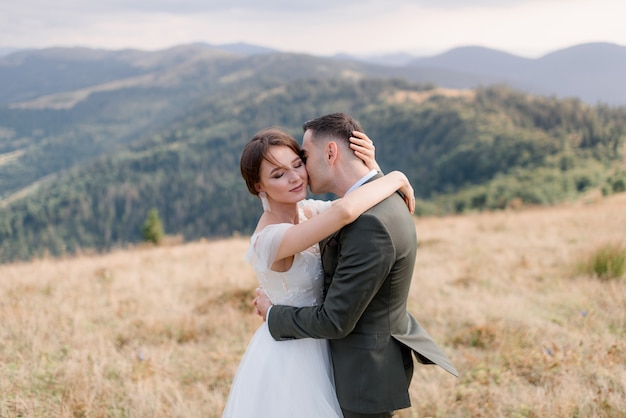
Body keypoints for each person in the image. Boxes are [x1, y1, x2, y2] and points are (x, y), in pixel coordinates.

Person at [255, 113, 458, 418]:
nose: (300, 174)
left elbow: (335, 320)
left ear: (331, 153)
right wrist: (388, 175)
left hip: (358, 371)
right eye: (279, 173)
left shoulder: (366, 221)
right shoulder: (367, 204)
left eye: (302, 160)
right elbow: (344, 211)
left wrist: (273, 315)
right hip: (314, 359)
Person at [222, 126, 416, 417]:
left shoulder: (308, 211)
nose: (295, 177)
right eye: (278, 175)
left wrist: (371, 167)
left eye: (297, 164)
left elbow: (363, 201)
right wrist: (396, 177)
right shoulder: (270, 239)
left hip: (328, 340)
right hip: (295, 353)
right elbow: (345, 212)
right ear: (258, 187)